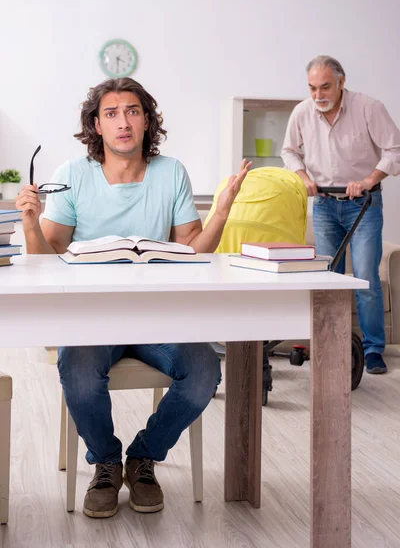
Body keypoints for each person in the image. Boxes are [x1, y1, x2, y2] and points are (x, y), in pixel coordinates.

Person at [16, 77, 251, 518]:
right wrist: (31, 222)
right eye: (111, 113)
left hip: (157, 318)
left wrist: (221, 211)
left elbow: (193, 251)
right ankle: (106, 462)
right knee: (78, 370)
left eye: (133, 111)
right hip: (91, 319)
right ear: (97, 126)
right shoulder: (73, 175)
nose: (123, 122)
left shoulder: (171, 172)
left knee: (203, 371)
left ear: (147, 121)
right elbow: (44, 260)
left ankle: (143, 457)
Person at [282, 55, 400, 375]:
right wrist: (303, 177)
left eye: (325, 87)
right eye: (312, 88)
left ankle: (373, 348)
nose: (318, 95)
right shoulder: (302, 112)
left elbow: (395, 150)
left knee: (365, 279)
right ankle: (328, 344)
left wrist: (367, 181)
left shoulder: (368, 108)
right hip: (323, 205)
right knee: (328, 278)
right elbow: (289, 151)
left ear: (341, 83)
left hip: (363, 205)